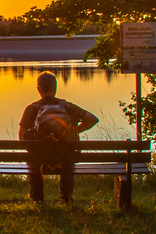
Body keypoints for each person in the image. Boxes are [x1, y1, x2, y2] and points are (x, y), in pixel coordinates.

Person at [19, 71, 99, 204]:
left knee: (32, 160)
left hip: (40, 160)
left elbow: (22, 135)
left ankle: (37, 198)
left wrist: (32, 148)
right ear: (55, 87)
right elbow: (92, 119)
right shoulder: (67, 107)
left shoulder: (32, 109)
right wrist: (74, 131)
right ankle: (66, 198)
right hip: (65, 159)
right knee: (68, 158)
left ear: (38, 89)